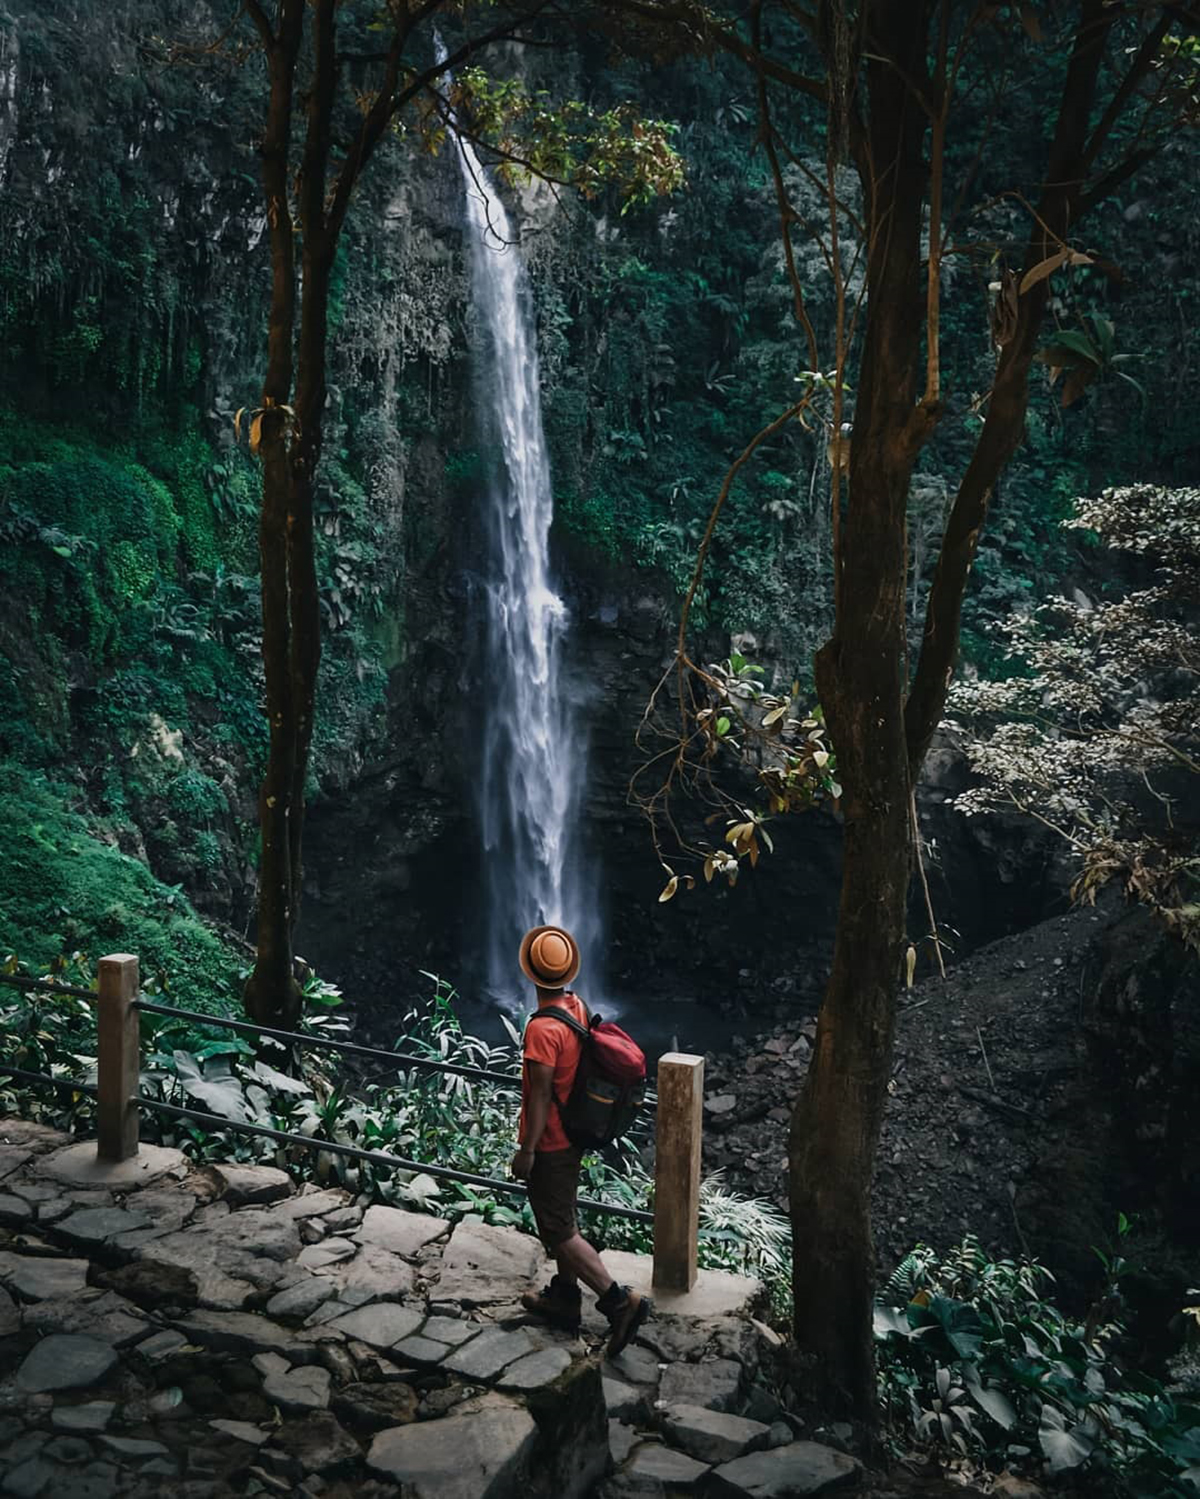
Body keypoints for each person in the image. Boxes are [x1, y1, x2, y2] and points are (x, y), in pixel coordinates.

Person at [510, 923, 650, 1354]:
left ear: (531, 973)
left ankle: (618, 1300)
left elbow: (538, 1099)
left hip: (550, 1139)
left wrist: (526, 1150)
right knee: (562, 1219)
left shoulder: (540, 1031)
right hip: (577, 1130)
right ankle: (564, 1298)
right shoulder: (576, 1006)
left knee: (559, 1229)